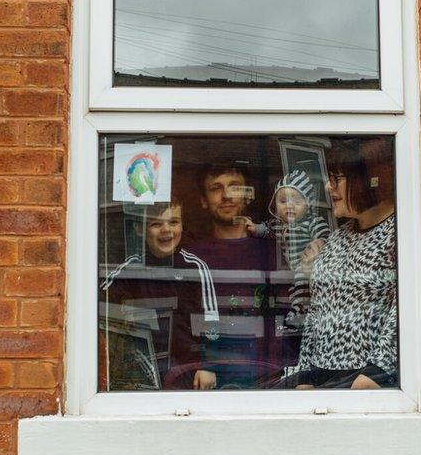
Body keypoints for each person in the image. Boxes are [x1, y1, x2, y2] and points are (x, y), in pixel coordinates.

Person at [294, 138, 398, 390]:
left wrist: (378, 372)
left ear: (367, 180)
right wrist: (304, 374)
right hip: (320, 375)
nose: (329, 187)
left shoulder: (398, 233)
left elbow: (405, 311)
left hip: (365, 381)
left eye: (337, 178)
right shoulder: (337, 237)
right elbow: (317, 309)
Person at [97, 196, 216, 390]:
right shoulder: (128, 271)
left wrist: (207, 365)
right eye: (155, 224)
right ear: (139, 229)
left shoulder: (195, 268)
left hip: (188, 372)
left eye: (174, 222)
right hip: (139, 373)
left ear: (182, 226)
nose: (166, 230)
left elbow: (211, 321)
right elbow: (99, 314)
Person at [183, 161, 278, 390]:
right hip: (210, 377)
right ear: (204, 201)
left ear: (248, 196)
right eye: (216, 188)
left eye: (234, 187)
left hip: (270, 376)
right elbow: (184, 322)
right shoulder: (190, 256)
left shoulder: (273, 250)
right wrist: (205, 363)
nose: (226, 195)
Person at [245, 169, 331, 321]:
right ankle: (297, 309)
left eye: (297, 202)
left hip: (308, 265)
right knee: (293, 288)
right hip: (291, 267)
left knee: (301, 283)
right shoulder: (278, 225)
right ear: (275, 204)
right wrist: (254, 228)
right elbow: (266, 230)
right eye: (283, 201)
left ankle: (301, 313)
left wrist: (319, 243)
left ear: (308, 205)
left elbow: (325, 236)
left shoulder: (312, 222)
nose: (289, 206)